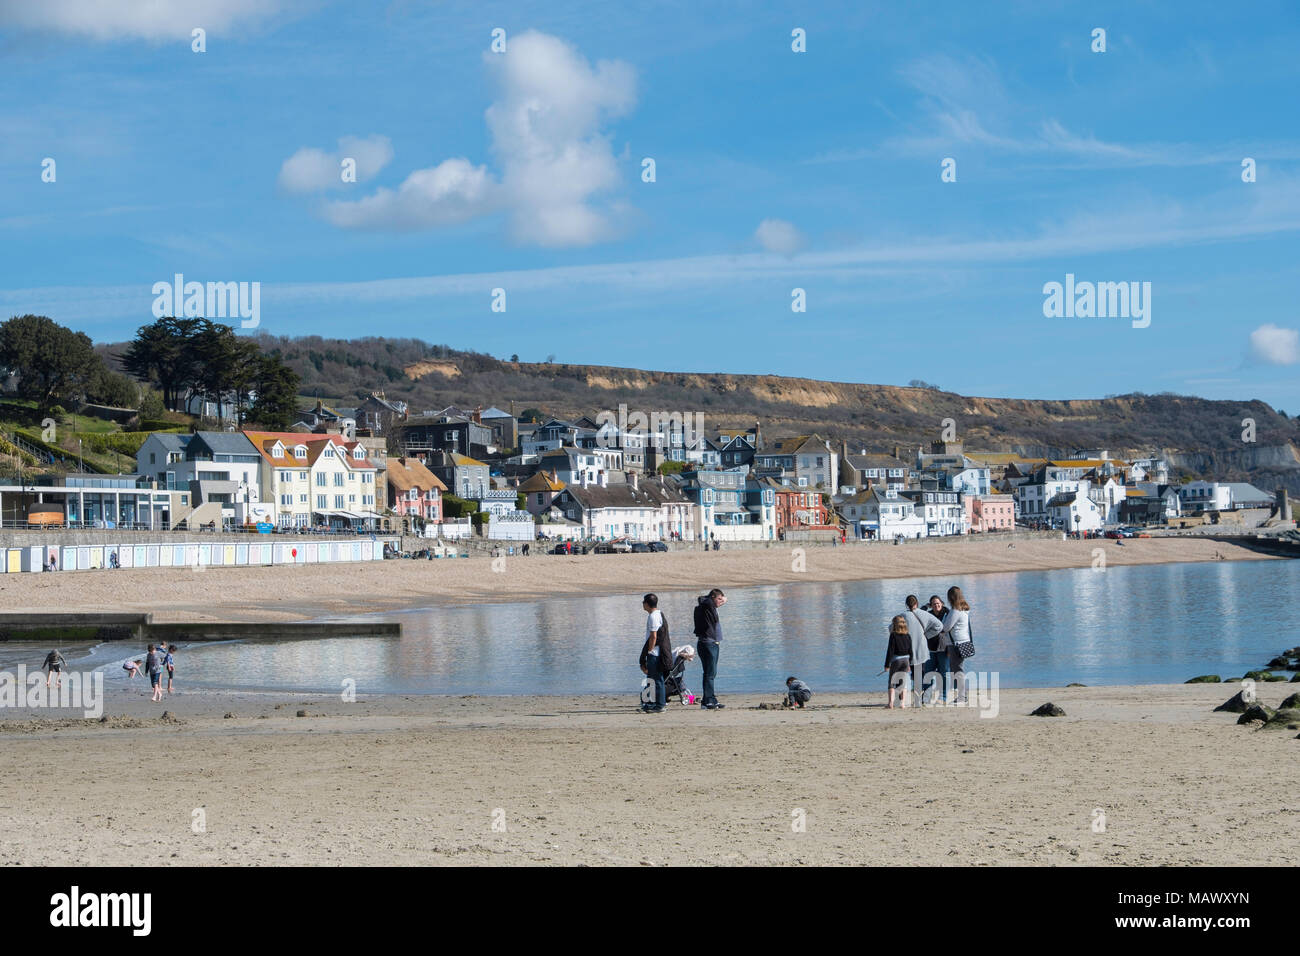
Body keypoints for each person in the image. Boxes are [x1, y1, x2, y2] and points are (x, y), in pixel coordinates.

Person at [903, 595, 943, 706]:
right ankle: (924, 699)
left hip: (908, 650)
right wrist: (927, 635)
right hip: (923, 649)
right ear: (917, 603)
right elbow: (939, 626)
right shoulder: (924, 614)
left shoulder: (903, 616)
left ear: (906, 604)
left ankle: (918, 700)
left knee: (916, 676)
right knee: (924, 675)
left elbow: (891, 628)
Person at [693, 588, 726, 709]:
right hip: (708, 644)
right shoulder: (706, 605)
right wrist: (723, 600)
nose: (721, 601)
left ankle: (709, 699)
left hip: (712, 643)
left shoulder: (710, 607)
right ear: (712, 597)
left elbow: (711, 603)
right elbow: (706, 601)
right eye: (719, 599)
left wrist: (720, 600)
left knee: (711, 673)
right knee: (710, 674)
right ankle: (708, 701)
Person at [939, 586, 974, 704]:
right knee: (958, 669)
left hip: (956, 644)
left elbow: (946, 627)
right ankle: (962, 695)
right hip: (964, 642)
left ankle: (962, 696)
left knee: (957, 670)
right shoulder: (964, 610)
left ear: (951, 597)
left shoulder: (955, 611)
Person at [638, 593, 671, 713]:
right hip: (656, 653)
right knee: (652, 679)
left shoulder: (653, 616)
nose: (642, 604)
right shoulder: (658, 614)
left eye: (643, 602)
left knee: (657, 680)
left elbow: (654, 636)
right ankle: (652, 703)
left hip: (655, 654)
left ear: (647, 604)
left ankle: (660, 705)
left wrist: (650, 651)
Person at [884, 616, 913, 709]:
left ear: (895, 625)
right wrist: (910, 663)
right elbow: (911, 650)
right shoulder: (908, 635)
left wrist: (887, 664)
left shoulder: (893, 635)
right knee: (902, 682)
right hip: (906, 660)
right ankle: (902, 703)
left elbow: (890, 651)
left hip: (896, 660)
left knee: (892, 682)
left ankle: (890, 703)